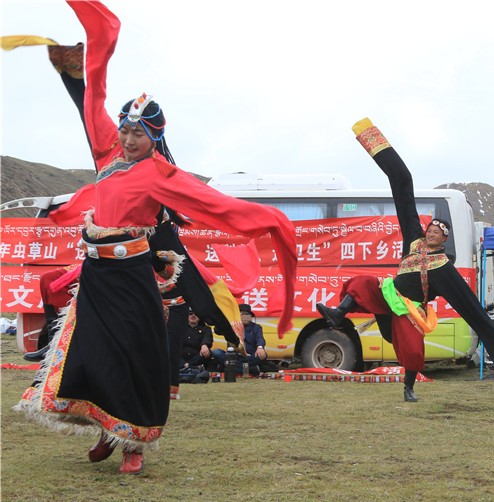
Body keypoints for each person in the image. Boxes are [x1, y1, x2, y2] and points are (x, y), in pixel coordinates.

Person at [15, 0, 297, 475]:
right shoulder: (108, 157)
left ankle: (134, 445)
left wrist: (267, 219)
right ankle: (107, 430)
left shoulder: (161, 175)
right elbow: (92, 104)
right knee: (91, 351)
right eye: (126, 130)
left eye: (139, 134)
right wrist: (74, 70)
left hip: (132, 275)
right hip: (96, 275)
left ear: (155, 138)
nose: (129, 140)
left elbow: (218, 205)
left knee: (135, 355)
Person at [316, 118, 494, 402]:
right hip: (388, 295)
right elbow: (403, 187)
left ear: (444, 240)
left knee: (413, 351)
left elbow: (473, 311)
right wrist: (372, 139)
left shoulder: (444, 268)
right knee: (362, 282)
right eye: (429, 229)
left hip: (409, 311)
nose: (430, 233)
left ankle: (409, 388)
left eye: (436, 232)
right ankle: (338, 314)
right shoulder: (414, 241)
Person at [211, 304, 269, 374]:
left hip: (249, 357)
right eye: (242, 314)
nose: (245, 317)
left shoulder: (256, 327)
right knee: (216, 352)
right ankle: (249, 369)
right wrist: (223, 322)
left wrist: (260, 347)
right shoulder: (231, 325)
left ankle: (230, 367)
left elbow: (260, 338)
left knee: (263, 355)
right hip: (233, 356)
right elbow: (217, 331)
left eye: (247, 314)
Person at [179, 308, 214, 377]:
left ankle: (187, 367)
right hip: (181, 357)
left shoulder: (205, 329)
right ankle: (192, 367)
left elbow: (207, 338)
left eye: (196, 314)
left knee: (208, 352)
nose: (193, 316)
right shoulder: (180, 328)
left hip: (196, 357)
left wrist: (204, 345)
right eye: (191, 314)